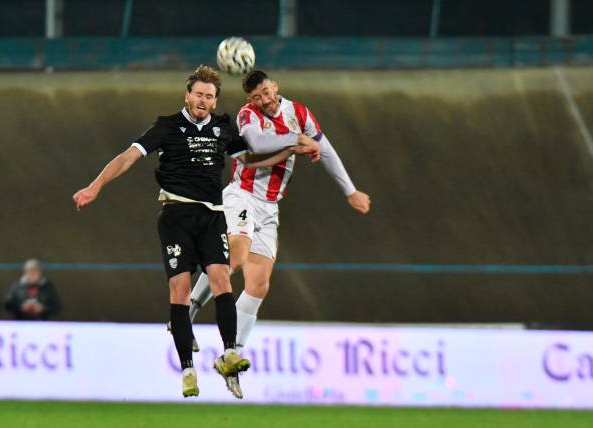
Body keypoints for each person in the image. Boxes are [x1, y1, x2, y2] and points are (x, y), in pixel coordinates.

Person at [72, 65, 317, 398]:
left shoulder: (222, 127)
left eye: (209, 96)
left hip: (213, 215)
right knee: (181, 287)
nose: (203, 100)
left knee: (222, 276)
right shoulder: (167, 127)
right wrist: (95, 185)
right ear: (188, 96)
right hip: (176, 214)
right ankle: (187, 367)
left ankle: (230, 350)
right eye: (199, 94)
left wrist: (289, 151)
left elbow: (248, 163)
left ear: (215, 102)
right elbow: (129, 156)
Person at [187, 70, 371, 396]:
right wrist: (297, 140)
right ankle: (185, 313)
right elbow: (257, 144)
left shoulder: (299, 113)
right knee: (238, 256)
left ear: (275, 87)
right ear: (250, 100)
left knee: (260, 283)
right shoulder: (248, 117)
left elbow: (325, 149)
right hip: (241, 195)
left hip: (269, 208)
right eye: (257, 97)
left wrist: (350, 191)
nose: (264, 100)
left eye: (266, 93)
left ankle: (232, 355)